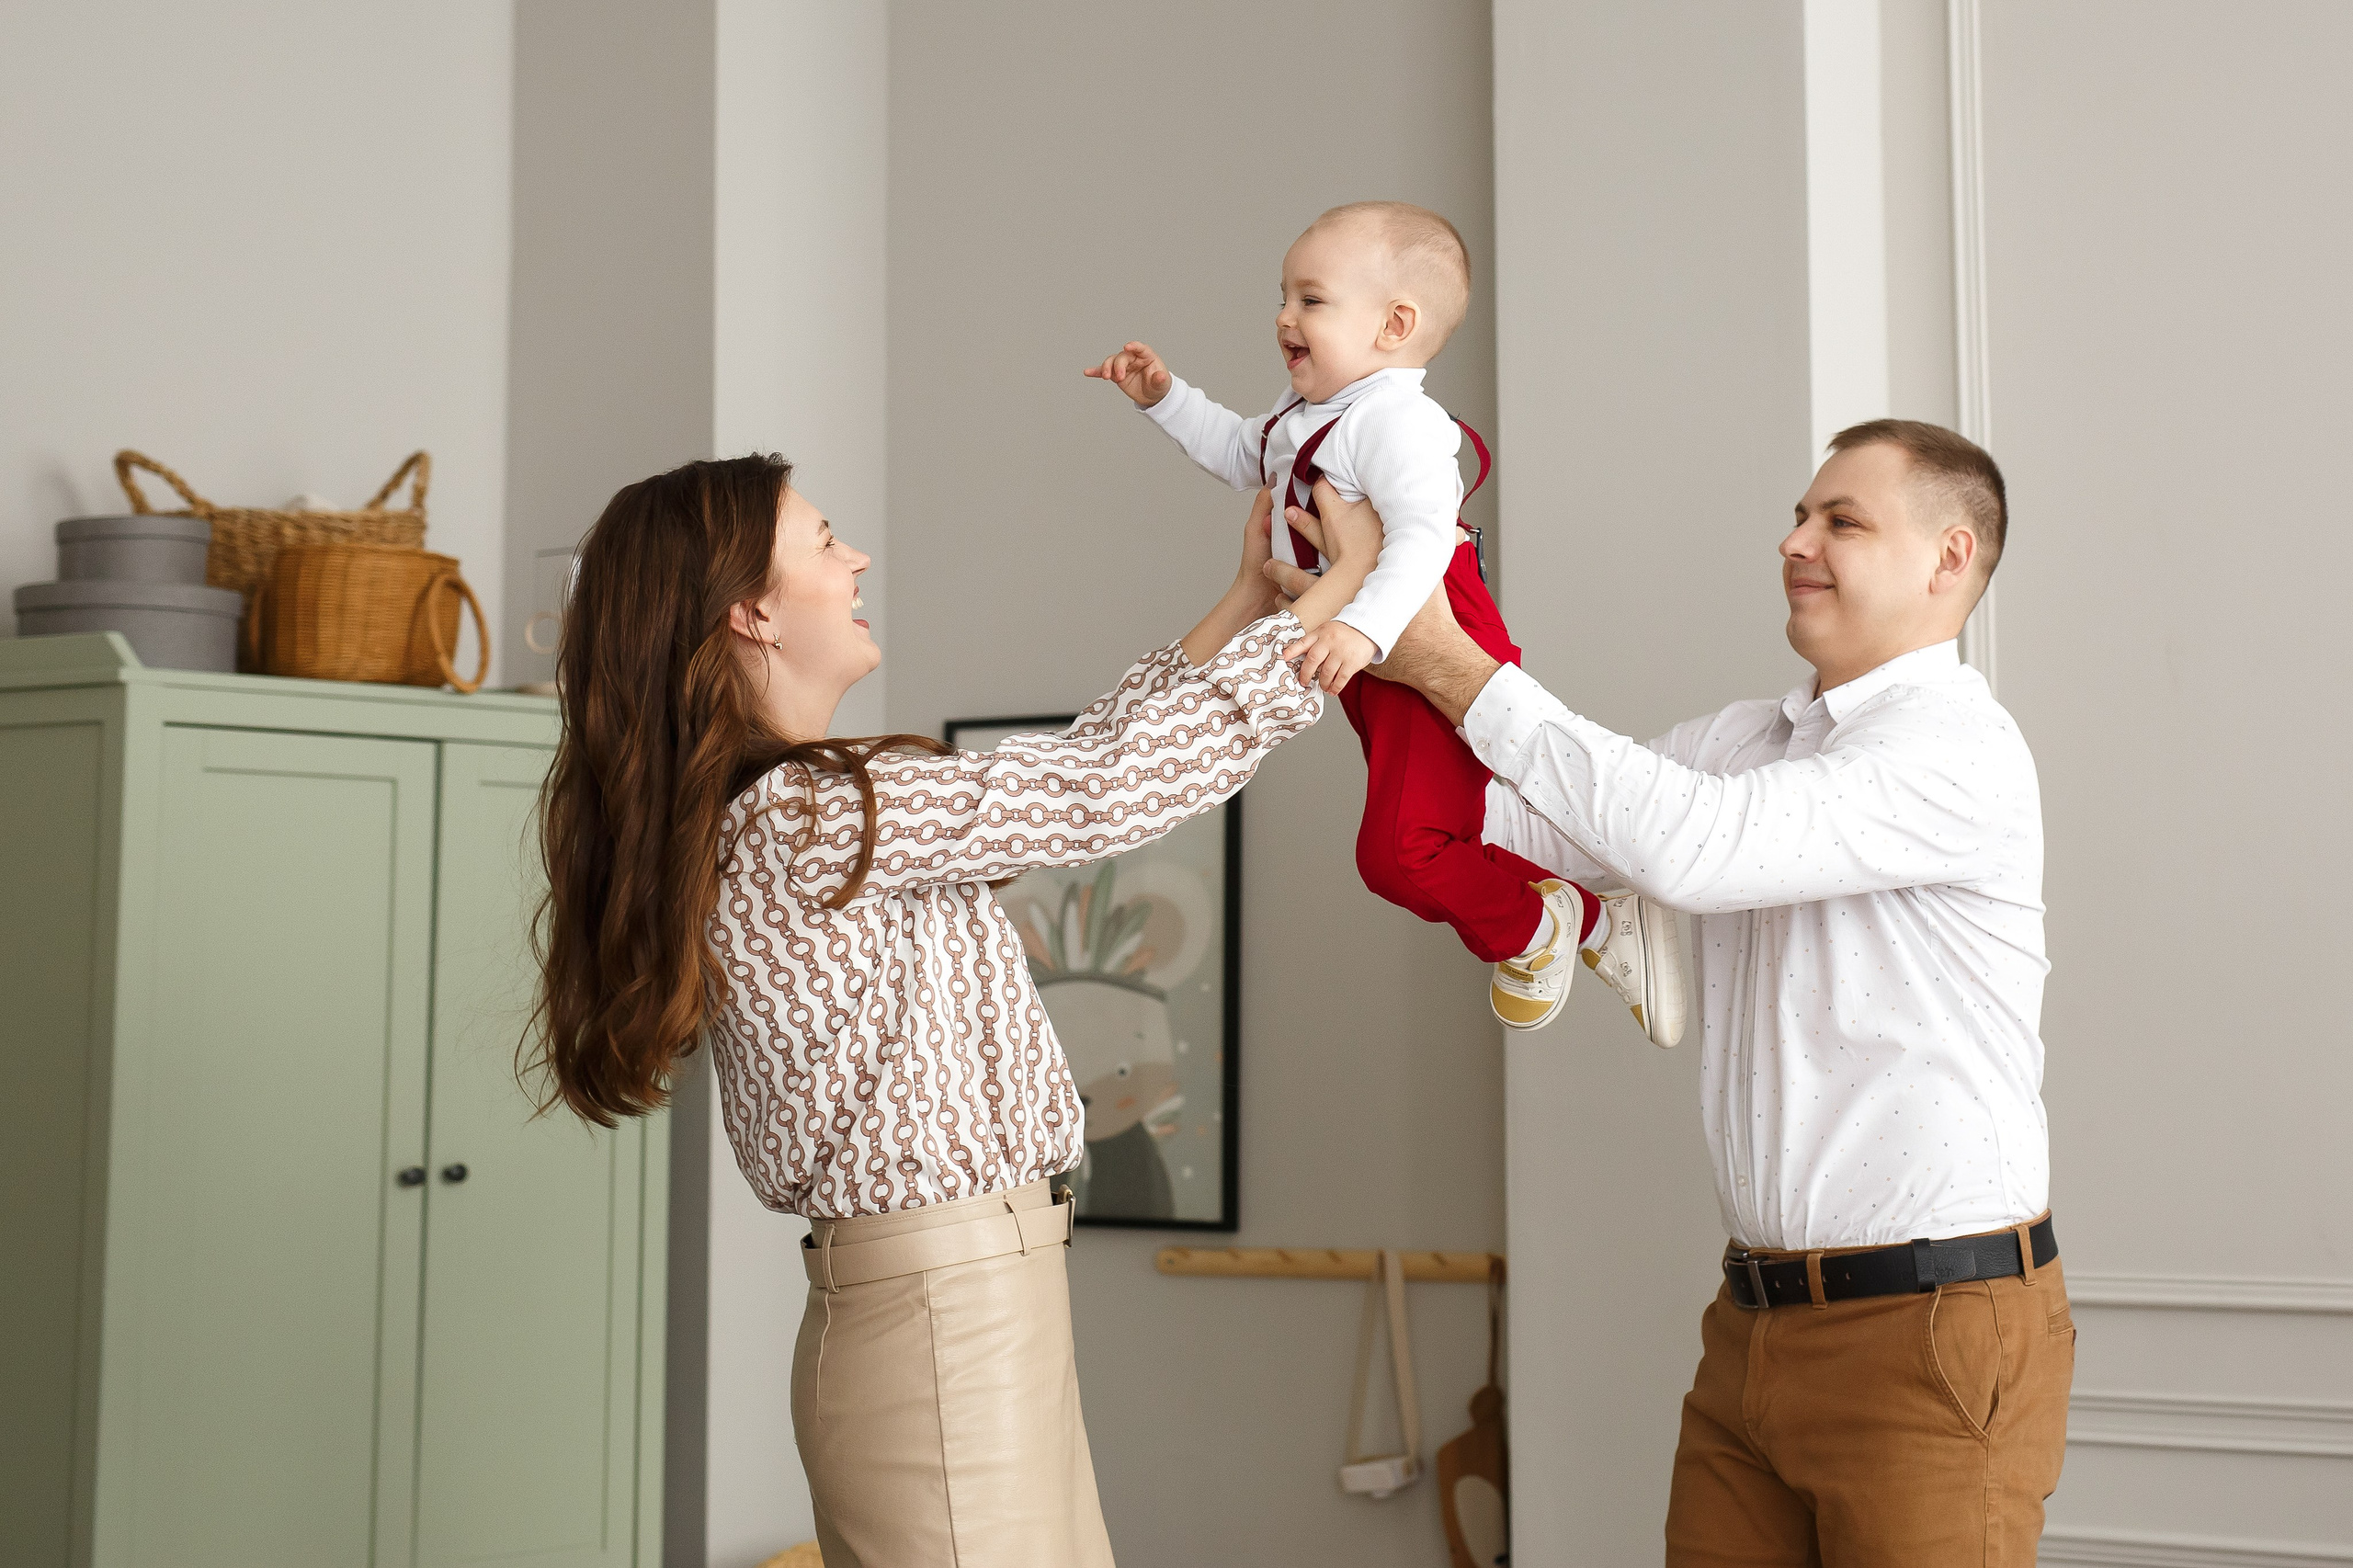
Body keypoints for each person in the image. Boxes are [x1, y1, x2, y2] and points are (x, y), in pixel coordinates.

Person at [527, 455, 1361, 1567]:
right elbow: (1101, 791)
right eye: (823, 540)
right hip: (943, 1319)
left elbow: (1075, 770)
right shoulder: (809, 814)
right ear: (750, 608)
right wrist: (1336, 601)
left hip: (965, 1306)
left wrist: (1249, 606)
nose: (855, 555)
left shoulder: (798, 808)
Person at [1296, 420, 2074, 1564]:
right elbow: (1506, 823)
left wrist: (1449, 658)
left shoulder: (1958, 750)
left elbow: (1692, 849)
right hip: (1752, 1327)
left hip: (1932, 1332)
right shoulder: (1746, 740)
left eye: (1839, 521)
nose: (1793, 540)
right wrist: (1368, 627)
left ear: (1947, 558)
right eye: (1802, 513)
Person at [1086, 199, 1684, 1043]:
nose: (1283, 317)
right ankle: (1570, 913)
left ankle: (1567, 924)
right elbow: (1237, 452)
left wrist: (1365, 632)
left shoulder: (1397, 422)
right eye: (1284, 296)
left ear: (1394, 324)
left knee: (1401, 850)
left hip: (1420, 636)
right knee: (1435, 832)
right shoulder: (1305, 418)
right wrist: (1165, 399)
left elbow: (1424, 539)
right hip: (1363, 650)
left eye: (1311, 299)